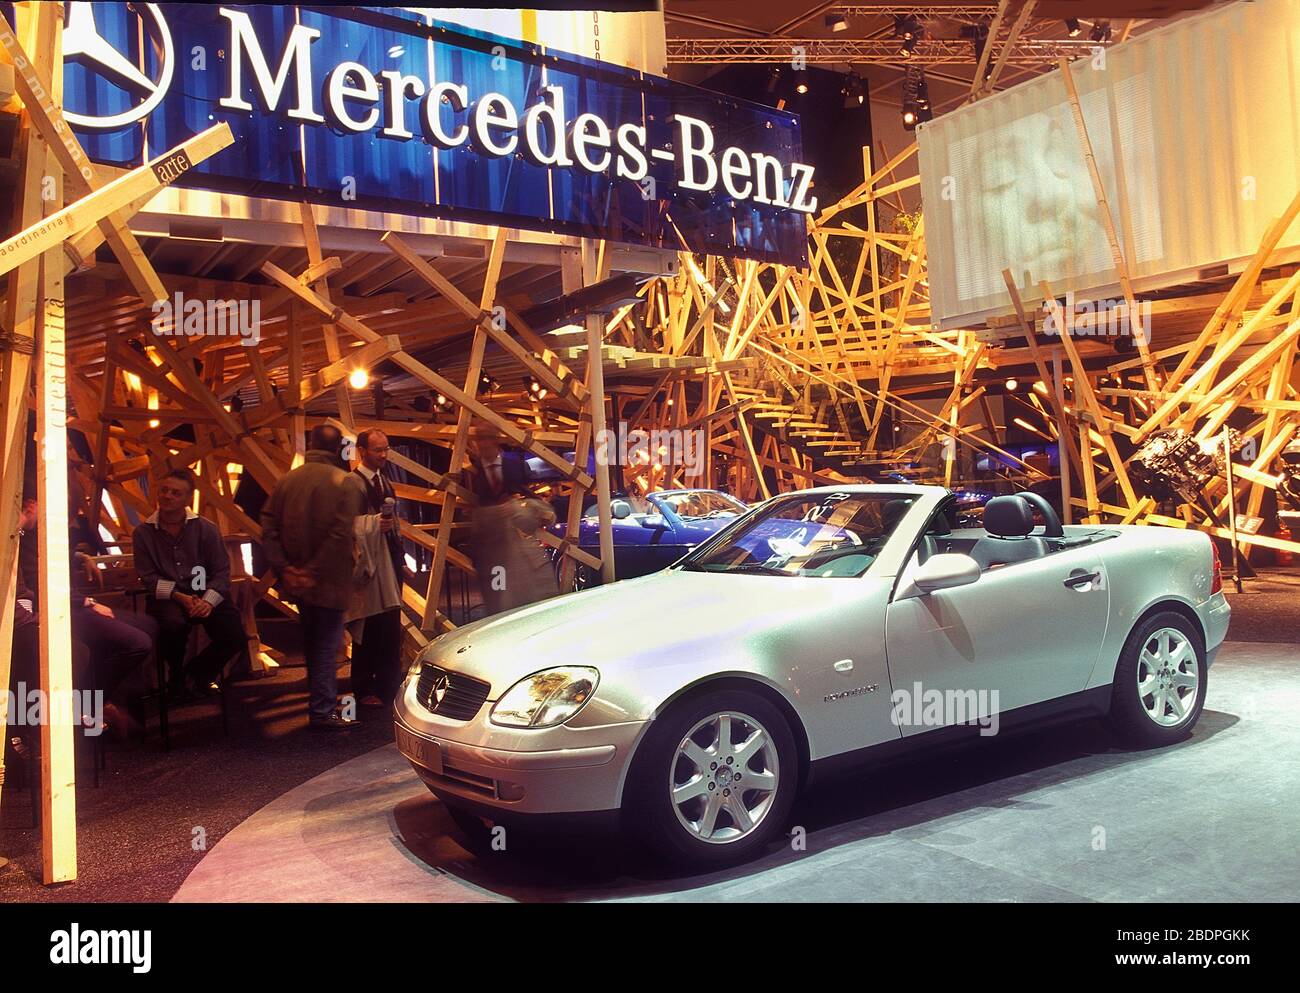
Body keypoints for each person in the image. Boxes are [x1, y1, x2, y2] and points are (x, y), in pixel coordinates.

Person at [16, 496, 155, 736]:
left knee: (146, 625)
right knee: (132, 642)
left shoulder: (35, 531)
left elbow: (51, 564)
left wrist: (80, 558)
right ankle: (88, 707)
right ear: (31, 504)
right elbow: (39, 582)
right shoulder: (22, 534)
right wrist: (85, 602)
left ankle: (102, 706)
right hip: (55, 607)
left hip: (61, 603)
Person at [261, 424, 365, 731]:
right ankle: (322, 710)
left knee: (313, 643)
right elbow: (341, 534)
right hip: (329, 580)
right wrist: (312, 570)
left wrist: (287, 568)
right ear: (337, 450)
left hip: (296, 582)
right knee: (326, 645)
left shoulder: (287, 481)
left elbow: (267, 527)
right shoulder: (344, 483)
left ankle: (320, 705)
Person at [133, 469, 247, 699]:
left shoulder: (206, 529)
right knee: (172, 626)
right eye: (164, 490)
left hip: (204, 592)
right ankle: (175, 679)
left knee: (234, 635)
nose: (167, 496)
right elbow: (148, 577)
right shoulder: (143, 533)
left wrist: (208, 601)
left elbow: (221, 572)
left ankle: (195, 673)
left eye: (176, 493)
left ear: (187, 499)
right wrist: (179, 597)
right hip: (168, 597)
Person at [346, 429, 405, 712]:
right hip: (369, 565)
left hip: (388, 561)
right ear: (361, 451)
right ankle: (363, 687)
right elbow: (345, 524)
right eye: (377, 450)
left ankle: (388, 685)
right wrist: (371, 525)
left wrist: (400, 556)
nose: (383, 455)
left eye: (386, 449)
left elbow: (394, 523)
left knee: (389, 626)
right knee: (368, 626)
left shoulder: (383, 480)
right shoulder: (352, 483)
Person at [469, 444, 560, 616]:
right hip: (495, 558)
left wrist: (519, 509)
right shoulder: (472, 471)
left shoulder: (515, 465)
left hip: (523, 556)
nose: (484, 443)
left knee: (530, 603)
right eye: (481, 438)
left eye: (488, 438)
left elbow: (533, 510)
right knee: (499, 602)